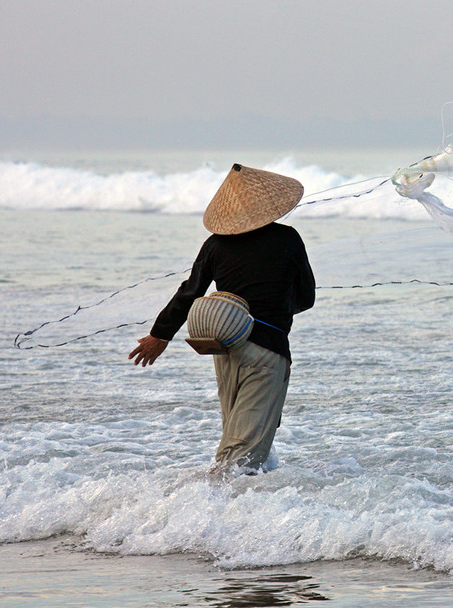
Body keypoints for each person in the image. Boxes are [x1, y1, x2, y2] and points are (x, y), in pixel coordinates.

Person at [129, 164, 316, 475]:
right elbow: (306, 298)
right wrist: (276, 311)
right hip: (267, 351)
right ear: (268, 206)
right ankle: (209, 510)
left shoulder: (216, 244)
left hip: (225, 346)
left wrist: (158, 335)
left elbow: (189, 293)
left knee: (235, 434)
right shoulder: (288, 239)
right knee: (244, 449)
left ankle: (227, 511)